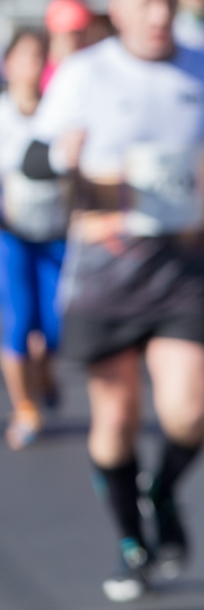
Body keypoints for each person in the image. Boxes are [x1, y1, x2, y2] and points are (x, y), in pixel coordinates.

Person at [23, 0, 204, 601]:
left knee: (188, 413)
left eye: (169, 1)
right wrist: (59, 160)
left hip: (183, 263)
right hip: (105, 268)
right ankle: (134, 543)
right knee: (117, 417)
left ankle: (162, 488)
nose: (159, 15)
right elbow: (35, 158)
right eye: (145, 2)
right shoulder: (84, 73)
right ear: (118, 9)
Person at [0, 30, 69, 449]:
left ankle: (45, 374)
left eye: (40, 57)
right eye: (25, 57)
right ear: (8, 64)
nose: (34, 65)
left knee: (57, 325)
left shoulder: (57, 115)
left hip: (56, 233)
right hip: (11, 236)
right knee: (19, 321)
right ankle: (25, 408)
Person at [41, 0, 91, 92]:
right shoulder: (37, 64)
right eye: (67, 33)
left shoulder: (90, 64)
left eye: (78, 33)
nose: (73, 39)